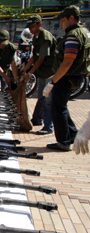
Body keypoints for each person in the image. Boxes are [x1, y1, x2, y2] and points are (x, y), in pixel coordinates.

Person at [43, 5, 90, 151]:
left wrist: (54, 81)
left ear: (71, 18)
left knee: (57, 108)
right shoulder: (85, 32)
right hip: (76, 76)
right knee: (61, 106)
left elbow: (68, 60)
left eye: (62, 20)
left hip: (68, 77)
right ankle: (72, 135)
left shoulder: (73, 35)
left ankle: (63, 141)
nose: (60, 23)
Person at [21, 15, 57, 135]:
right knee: (41, 96)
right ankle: (37, 119)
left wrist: (30, 73)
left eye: (32, 26)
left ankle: (48, 126)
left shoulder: (45, 37)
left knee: (48, 99)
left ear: (39, 25)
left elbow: (41, 58)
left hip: (49, 73)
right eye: (29, 27)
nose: (30, 29)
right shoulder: (36, 37)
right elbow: (34, 57)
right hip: (43, 72)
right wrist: (25, 68)